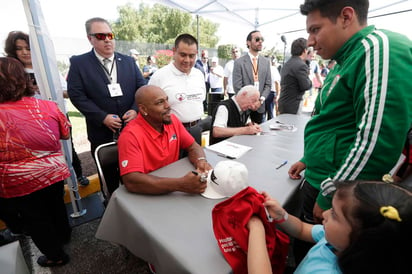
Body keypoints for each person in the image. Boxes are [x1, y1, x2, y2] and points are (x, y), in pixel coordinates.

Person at [289, 0, 412, 264]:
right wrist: (308, 159)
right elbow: (333, 121)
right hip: (323, 178)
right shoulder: (344, 60)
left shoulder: (377, 49)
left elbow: (376, 142)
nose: (309, 41)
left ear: (346, 17)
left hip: (338, 192)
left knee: (320, 257)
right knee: (305, 251)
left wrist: (331, 195)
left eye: (315, 29)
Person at [247, 180, 412, 274]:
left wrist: (256, 229)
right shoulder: (334, 241)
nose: (324, 214)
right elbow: (303, 229)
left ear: (362, 241)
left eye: (334, 214)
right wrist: (282, 215)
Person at [0, 57, 72, 267]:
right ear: (24, 79)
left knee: (35, 218)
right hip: (54, 171)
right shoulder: (48, 106)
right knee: (56, 206)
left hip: (19, 180)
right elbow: (65, 134)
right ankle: (64, 236)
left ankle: (55, 255)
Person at [67, 17, 146, 195]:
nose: (107, 40)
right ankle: (113, 211)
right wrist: (102, 117)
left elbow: (142, 87)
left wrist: (135, 109)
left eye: (110, 35)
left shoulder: (128, 61)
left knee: (135, 174)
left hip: (132, 131)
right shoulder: (80, 63)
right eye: (101, 36)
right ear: (90, 39)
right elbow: (76, 95)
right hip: (101, 134)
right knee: (110, 182)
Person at [4, 30, 90, 187]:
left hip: (56, 116)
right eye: (19, 48)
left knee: (67, 146)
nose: (24, 52)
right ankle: (52, 183)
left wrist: (50, 89)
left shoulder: (48, 68)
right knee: (38, 153)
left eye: (28, 48)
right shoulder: (13, 73)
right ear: (13, 50)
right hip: (28, 121)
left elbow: (67, 92)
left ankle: (77, 174)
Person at [117, 85, 212, 194]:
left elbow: (192, 146)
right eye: (160, 102)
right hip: (148, 194)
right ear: (143, 109)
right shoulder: (130, 135)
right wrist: (180, 185)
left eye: (167, 100)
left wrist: (201, 161)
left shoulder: (172, 120)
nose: (168, 106)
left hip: (173, 184)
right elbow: (132, 181)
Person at [149, 34, 206, 145]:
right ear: (174, 51)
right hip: (171, 133)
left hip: (196, 129)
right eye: (183, 55)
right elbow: (150, 108)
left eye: (192, 56)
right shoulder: (159, 76)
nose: (187, 60)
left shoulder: (199, 75)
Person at [233, 30, 272, 124]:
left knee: (259, 135)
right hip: (244, 108)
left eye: (262, 39)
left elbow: (268, 84)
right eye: (257, 39)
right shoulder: (239, 62)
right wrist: (250, 103)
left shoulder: (266, 62)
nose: (260, 42)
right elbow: (237, 86)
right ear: (248, 42)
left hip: (260, 107)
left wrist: (261, 100)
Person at [277, 38, 312, 114]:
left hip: (284, 102)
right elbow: (305, 86)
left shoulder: (287, 64)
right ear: (305, 50)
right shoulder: (301, 65)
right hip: (293, 105)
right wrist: (310, 80)